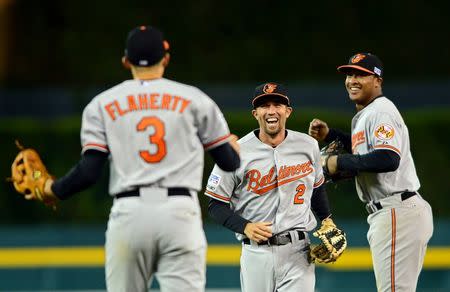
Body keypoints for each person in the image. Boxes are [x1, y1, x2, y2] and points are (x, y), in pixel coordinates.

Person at [39, 25, 240, 292]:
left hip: (129, 214)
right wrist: (232, 150)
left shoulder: (101, 104)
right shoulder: (195, 99)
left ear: (126, 61)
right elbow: (228, 163)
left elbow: (89, 172)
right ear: (166, 58)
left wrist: (52, 189)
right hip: (179, 214)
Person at [308, 52, 433, 292]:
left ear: (377, 80)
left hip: (397, 210)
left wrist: (338, 162)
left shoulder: (381, 111)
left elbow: (388, 158)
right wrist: (331, 136)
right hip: (392, 211)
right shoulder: (367, 114)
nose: (352, 80)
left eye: (361, 75)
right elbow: (365, 150)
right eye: (349, 74)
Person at [205, 82, 341, 292]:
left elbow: (316, 188)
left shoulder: (308, 145)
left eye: (277, 104)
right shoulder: (238, 150)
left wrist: (327, 220)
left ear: (287, 111)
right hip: (256, 253)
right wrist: (244, 226)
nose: (271, 111)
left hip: (299, 251)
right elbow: (215, 204)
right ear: (255, 113)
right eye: (264, 105)